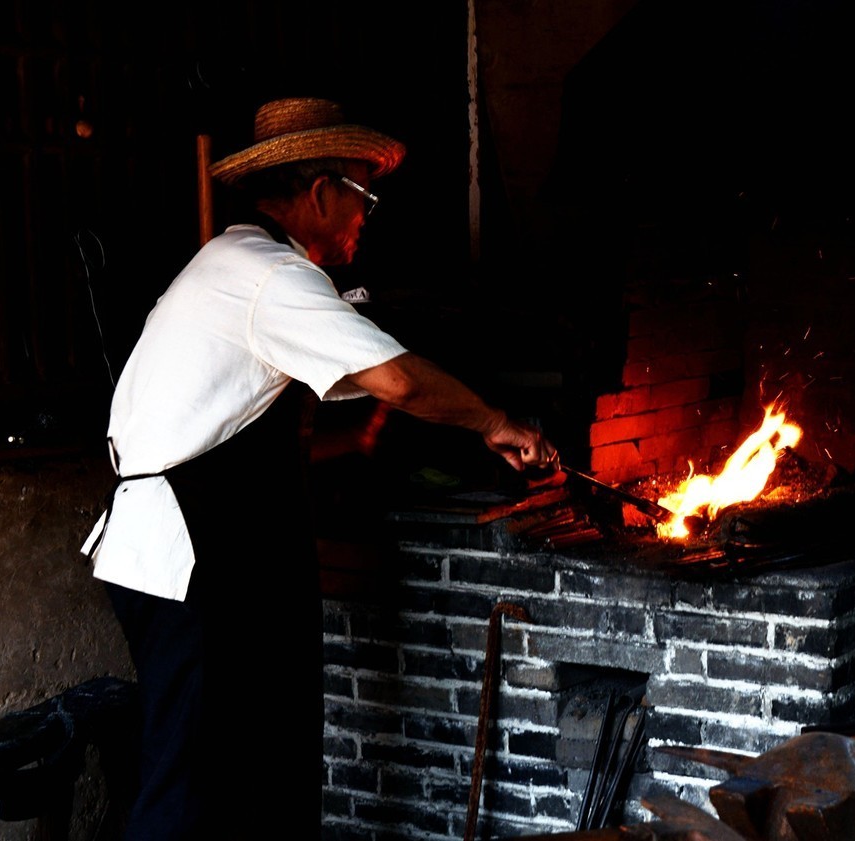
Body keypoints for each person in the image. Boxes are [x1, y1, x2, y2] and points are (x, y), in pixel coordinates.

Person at [80, 97, 558, 839]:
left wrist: (344, 448)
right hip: (188, 557)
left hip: (186, 550)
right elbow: (399, 381)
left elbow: (220, 429)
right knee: (191, 782)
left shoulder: (233, 263)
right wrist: (496, 423)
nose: (368, 213)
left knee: (242, 770)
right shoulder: (269, 275)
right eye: (363, 195)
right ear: (320, 190)